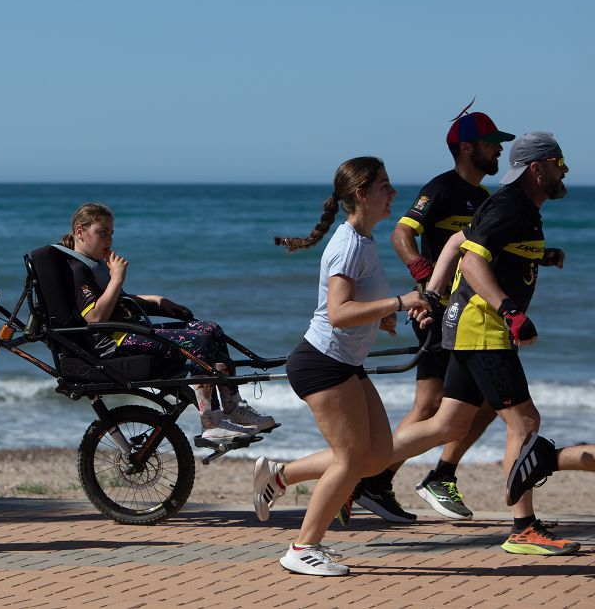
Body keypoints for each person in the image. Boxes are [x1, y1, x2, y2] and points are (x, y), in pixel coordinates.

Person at [390, 131, 591, 555]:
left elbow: (458, 241)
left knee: (447, 426)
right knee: (525, 423)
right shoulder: (510, 205)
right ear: (537, 169)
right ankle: (523, 528)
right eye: (559, 162)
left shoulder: (516, 207)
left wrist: (538, 256)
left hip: (468, 327)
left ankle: (351, 469)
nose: (565, 170)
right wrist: (510, 311)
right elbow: (474, 259)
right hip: (483, 329)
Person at [253, 157, 430, 577]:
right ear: (361, 195)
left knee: (378, 455)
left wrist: (380, 316)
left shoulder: (363, 240)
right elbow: (337, 312)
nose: (393, 193)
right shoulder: (349, 244)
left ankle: (279, 477)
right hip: (323, 363)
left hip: (343, 362)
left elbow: (355, 305)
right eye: (385, 186)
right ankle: (302, 547)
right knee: (350, 461)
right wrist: (400, 303)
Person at [356, 108, 512, 523]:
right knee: (449, 404)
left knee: (470, 403)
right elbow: (401, 233)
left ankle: (374, 480)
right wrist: (424, 280)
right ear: (466, 147)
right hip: (441, 311)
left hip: (464, 313)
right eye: (492, 142)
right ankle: (388, 477)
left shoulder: (483, 199)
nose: (499, 148)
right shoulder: (441, 188)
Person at [57, 203, 276, 440]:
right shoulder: (78, 269)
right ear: (80, 231)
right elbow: (95, 318)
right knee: (198, 342)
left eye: (111, 233)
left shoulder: (94, 264)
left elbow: (117, 302)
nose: (109, 239)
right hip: (114, 342)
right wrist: (117, 278)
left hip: (129, 330)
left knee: (211, 330)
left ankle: (233, 407)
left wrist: (156, 301)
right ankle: (210, 422)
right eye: (102, 232)